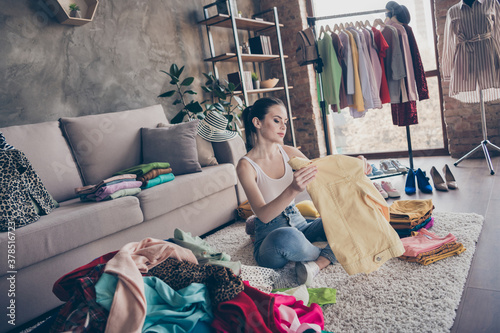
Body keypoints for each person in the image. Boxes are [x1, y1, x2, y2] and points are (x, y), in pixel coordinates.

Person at [236, 97, 372, 285]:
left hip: (300, 224)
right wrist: (293, 190)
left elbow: (324, 172)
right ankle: (338, 249)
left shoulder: (289, 152)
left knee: (352, 216)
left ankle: (319, 263)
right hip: (272, 235)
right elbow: (263, 215)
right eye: (276, 120)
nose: (283, 127)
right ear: (257, 122)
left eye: (285, 122)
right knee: (287, 237)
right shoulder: (246, 166)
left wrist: (354, 164)